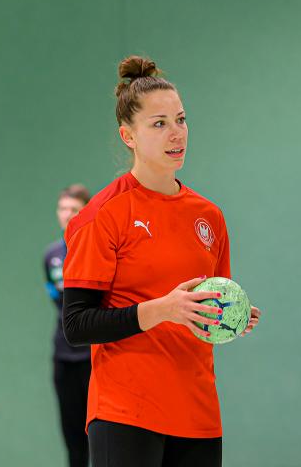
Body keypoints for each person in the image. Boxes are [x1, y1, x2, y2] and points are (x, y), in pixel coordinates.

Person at [62, 55, 260, 467]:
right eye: (159, 123)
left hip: (198, 414)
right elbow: (77, 324)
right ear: (127, 136)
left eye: (181, 119)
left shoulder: (209, 217)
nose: (177, 133)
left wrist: (226, 317)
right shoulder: (102, 216)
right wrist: (162, 310)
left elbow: (200, 311)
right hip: (125, 413)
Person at [44, 184, 91, 467]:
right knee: (73, 441)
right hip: (63, 356)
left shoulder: (96, 251)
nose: (67, 215)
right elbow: (55, 296)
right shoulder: (51, 256)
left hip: (93, 357)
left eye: (74, 210)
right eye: (63, 209)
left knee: (99, 437)